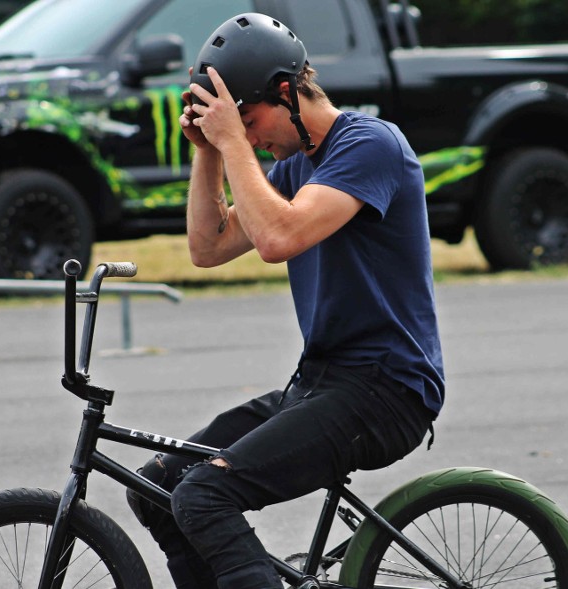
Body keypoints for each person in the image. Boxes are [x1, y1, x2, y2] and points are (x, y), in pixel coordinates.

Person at [127, 12, 444, 589]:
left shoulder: (370, 145)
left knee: (204, 495)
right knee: (158, 488)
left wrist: (231, 143)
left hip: (386, 389)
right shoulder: (290, 165)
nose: (248, 136)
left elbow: (279, 238)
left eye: (248, 120)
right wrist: (208, 149)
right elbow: (207, 247)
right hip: (321, 382)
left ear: (285, 91)